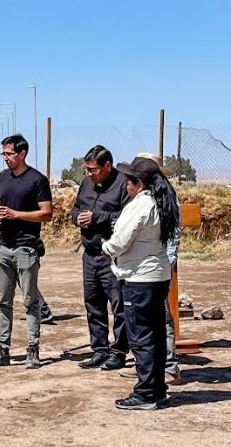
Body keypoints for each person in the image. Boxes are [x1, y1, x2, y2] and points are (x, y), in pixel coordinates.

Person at [100, 156, 180, 410]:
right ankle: (156, 388)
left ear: (140, 183)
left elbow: (121, 240)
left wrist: (105, 247)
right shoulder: (163, 201)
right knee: (155, 333)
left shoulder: (141, 204)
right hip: (157, 275)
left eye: (129, 181)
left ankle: (145, 392)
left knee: (141, 335)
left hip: (139, 277)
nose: (126, 186)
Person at [0, 134, 54, 369]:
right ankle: (2, 349)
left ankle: (32, 349)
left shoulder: (37, 180)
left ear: (22, 154)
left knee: (30, 301)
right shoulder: (2, 177)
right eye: (3, 154)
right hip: (4, 246)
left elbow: (46, 213)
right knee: (3, 301)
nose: (5, 158)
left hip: (27, 248)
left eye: (9, 153)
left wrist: (16, 214)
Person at [69, 145, 131, 371]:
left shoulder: (124, 183)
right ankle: (100, 349)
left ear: (108, 166)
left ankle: (119, 351)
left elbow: (127, 217)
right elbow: (74, 211)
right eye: (87, 170)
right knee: (93, 304)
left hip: (113, 255)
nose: (90, 174)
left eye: (93, 170)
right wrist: (78, 219)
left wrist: (97, 219)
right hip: (90, 253)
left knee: (119, 305)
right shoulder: (86, 184)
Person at [136, 152, 182, 385]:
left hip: (156, 267)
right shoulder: (144, 195)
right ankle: (150, 367)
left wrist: (168, 260)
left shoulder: (164, 196)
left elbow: (172, 233)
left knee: (161, 316)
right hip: (147, 267)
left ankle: (169, 366)